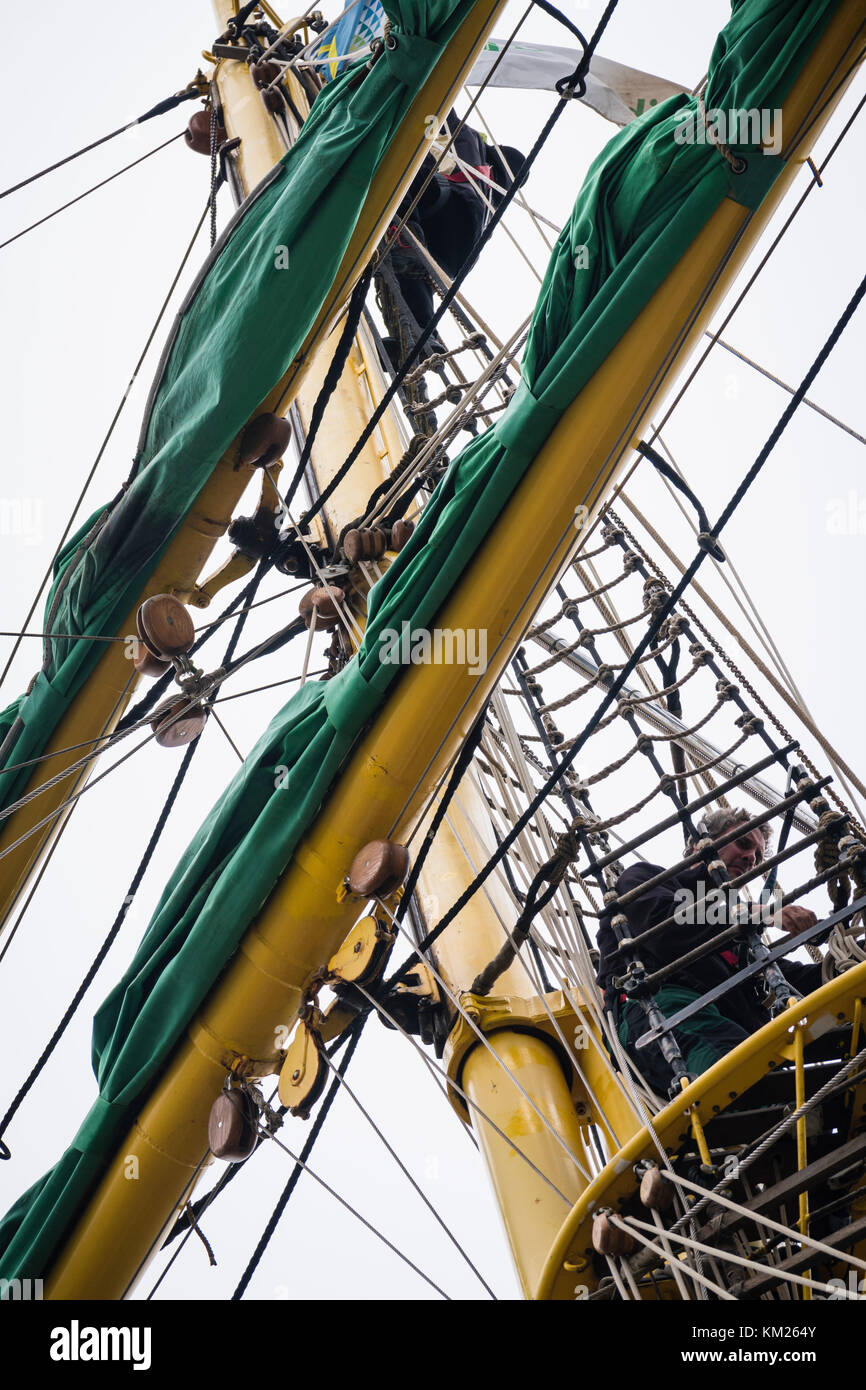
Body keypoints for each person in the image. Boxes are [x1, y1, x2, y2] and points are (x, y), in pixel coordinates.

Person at [596, 807, 821, 1095]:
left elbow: (776, 975)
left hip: (727, 1025)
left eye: (758, 856)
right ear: (698, 846)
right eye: (743, 843)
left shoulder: (737, 935)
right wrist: (761, 914)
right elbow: (664, 930)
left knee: (779, 1080)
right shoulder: (645, 878)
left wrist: (842, 965)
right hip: (661, 1010)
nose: (751, 858)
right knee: (747, 1069)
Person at [382, 110, 526, 358]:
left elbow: (441, 107)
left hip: (449, 204)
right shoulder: (494, 202)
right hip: (455, 258)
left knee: (404, 162)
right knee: (411, 271)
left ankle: (403, 239)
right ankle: (420, 339)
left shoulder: (471, 141)